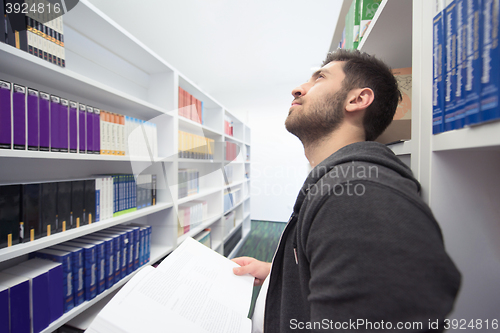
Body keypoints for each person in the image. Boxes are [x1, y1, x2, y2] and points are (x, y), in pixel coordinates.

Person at [232, 49, 461, 333]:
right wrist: (279, 273)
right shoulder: (340, 185)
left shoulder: (358, 195)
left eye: (319, 78)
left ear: (357, 99)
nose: (297, 89)